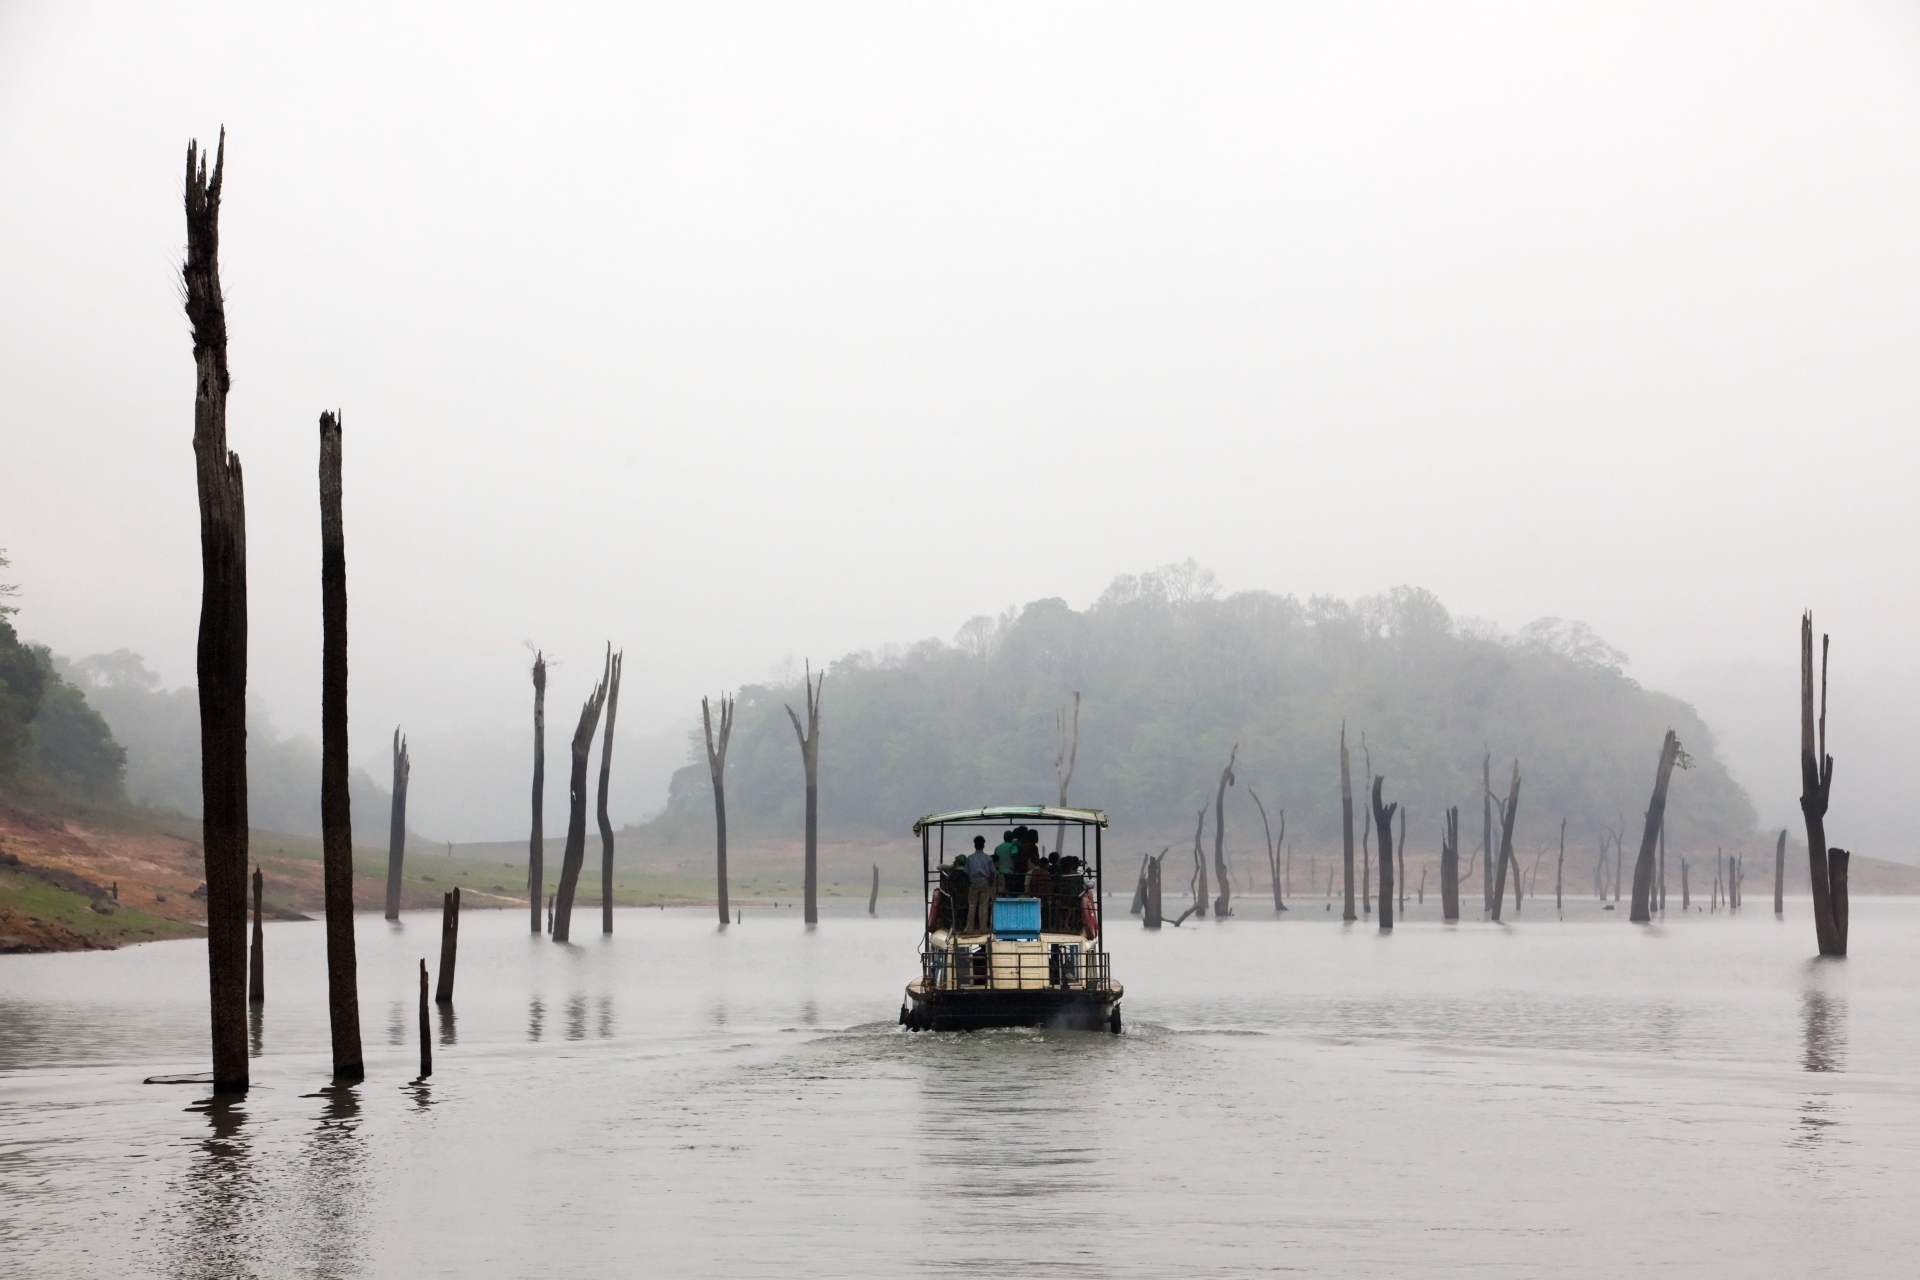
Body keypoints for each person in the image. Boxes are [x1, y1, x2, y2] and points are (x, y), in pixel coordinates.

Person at [965, 836, 995, 934]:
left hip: (973, 883)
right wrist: (991, 882)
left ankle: (969, 928)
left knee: (972, 905)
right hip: (985, 883)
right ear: (983, 845)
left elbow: (966, 872)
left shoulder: (970, 858)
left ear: (975, 845)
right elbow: (993, 872)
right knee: (983, 906)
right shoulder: (988, 858)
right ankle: (983, 928)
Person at [993, 829, 1019, 895]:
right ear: (1012, 838)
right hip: (1009, 872)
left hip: (999, 873)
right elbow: (1015, 856)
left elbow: (995, 859)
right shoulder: (1013, 846)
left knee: (999, 893)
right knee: (1009, 893)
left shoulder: (997, 847)